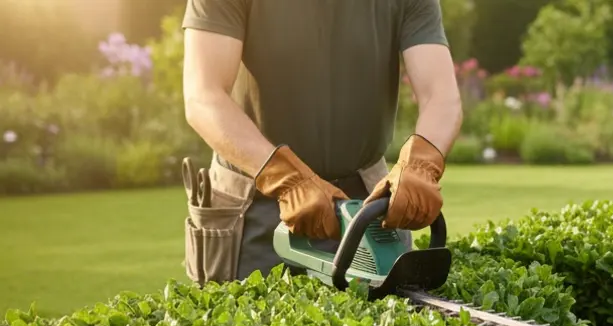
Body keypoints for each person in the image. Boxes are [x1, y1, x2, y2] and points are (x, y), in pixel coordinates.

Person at [179, 0, 462, 285]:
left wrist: (421, 164)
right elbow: (204, 96)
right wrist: (287, 178)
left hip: (362, 205)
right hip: (250, 206)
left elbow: (440, 95)